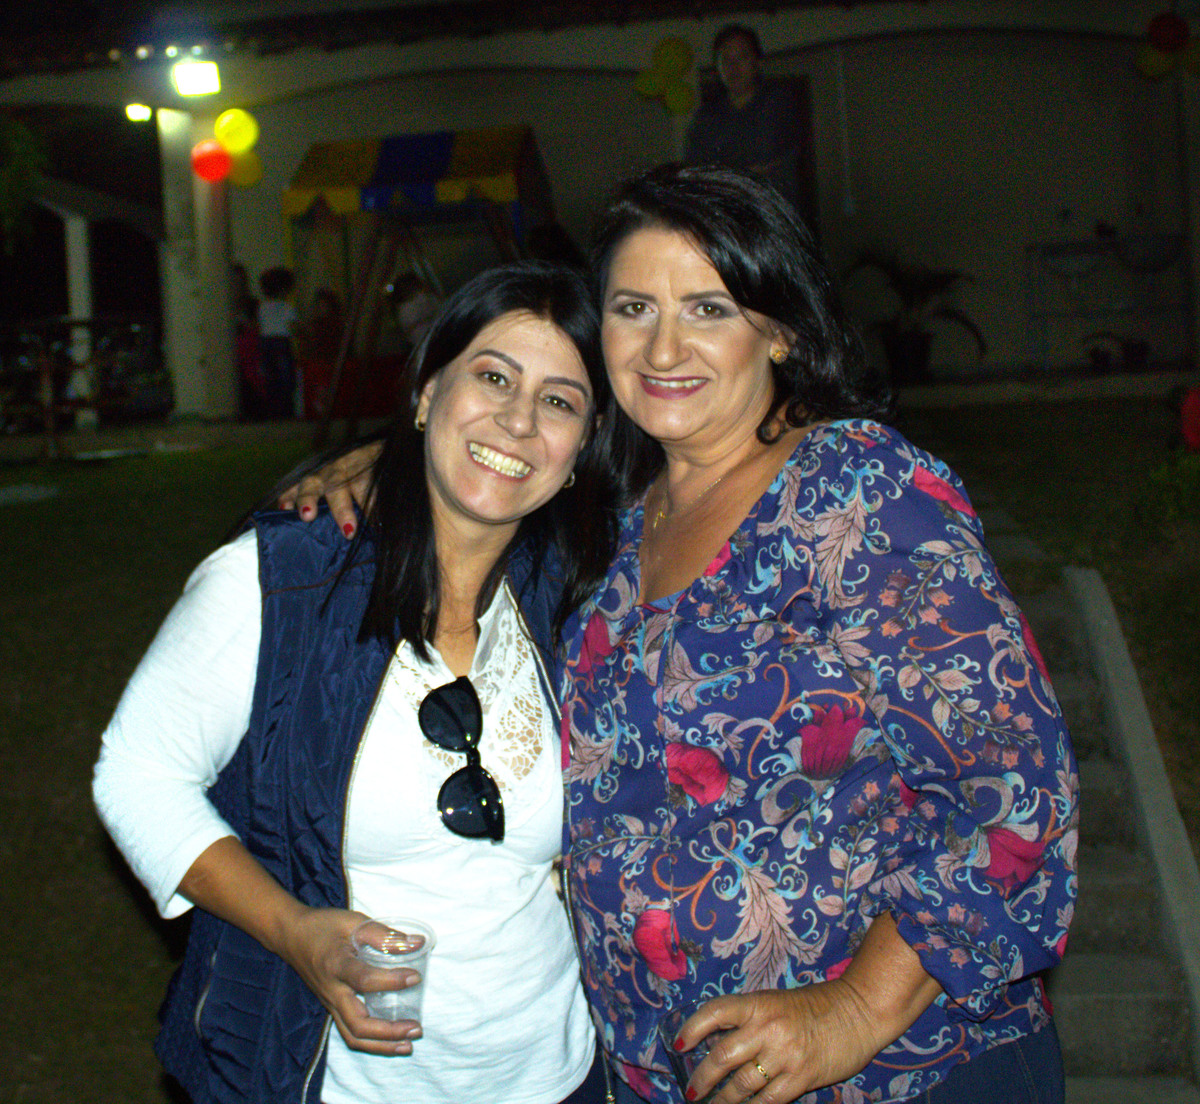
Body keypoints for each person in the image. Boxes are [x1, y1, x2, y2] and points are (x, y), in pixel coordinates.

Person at [285, 164, 1079, 1104]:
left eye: (708, 308)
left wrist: (855, 1010)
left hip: (900, 1070)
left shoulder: (858, 492)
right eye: (633, 308)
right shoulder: (611, 524)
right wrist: (393, 459)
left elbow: (1015, 780)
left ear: (779, 329)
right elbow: (491, 460)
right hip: (661, 1071)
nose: (664, 347)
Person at [93, 261, 621, 1104]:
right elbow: (137, 775)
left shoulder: (582, 593)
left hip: (557, 1073)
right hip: (334, 1078)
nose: (519, 420)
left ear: (583, 446)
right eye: (492, 377)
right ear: (426, 391)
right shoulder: (283, 582)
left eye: (559, 401)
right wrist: (294, 932)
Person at [683, 25, 808, 223]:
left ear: (757, 62)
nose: (733, 67)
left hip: (773, 220)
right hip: (726, 221)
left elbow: (763, 156)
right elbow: (696, 173)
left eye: (742, 57)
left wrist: (723, 174)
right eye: (726, 60)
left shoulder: (777, 103)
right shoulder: (707, 117)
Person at [257, 264, 299, 419]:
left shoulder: (262, 307)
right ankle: (286, 411)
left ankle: (273, 411)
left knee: (271, 379)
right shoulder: (287, 307)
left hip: (266, 344)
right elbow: (293, 328)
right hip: (281, 344)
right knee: (286, 380)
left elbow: (260, 327)